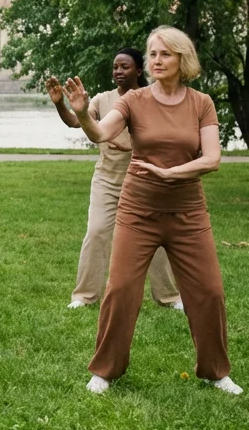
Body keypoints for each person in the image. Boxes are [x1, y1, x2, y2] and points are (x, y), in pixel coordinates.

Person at [63, 26, 241, 395]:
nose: (156, 61)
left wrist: (172, 173)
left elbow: (212, 159)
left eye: (165, 54)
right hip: (138, 209)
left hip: (188, 212)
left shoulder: (201, 103)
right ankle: (106, 370)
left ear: (182, 59)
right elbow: (100, 133)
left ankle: (215, 371)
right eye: (152, 54)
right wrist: (81, 114)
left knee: (209, 292)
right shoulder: (134, 101)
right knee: (122, 289)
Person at [46, 48, 182, 311]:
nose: (118, 72)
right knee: (96, 232)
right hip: (107, 178)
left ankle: (169, 297)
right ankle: (84, 296)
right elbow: (76, 121)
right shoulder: (102, 99)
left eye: (125, 67)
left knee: (156, 237)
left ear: (139, 71)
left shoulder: (151, 98)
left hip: (145, 179)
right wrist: (59, 103)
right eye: (115, 67)